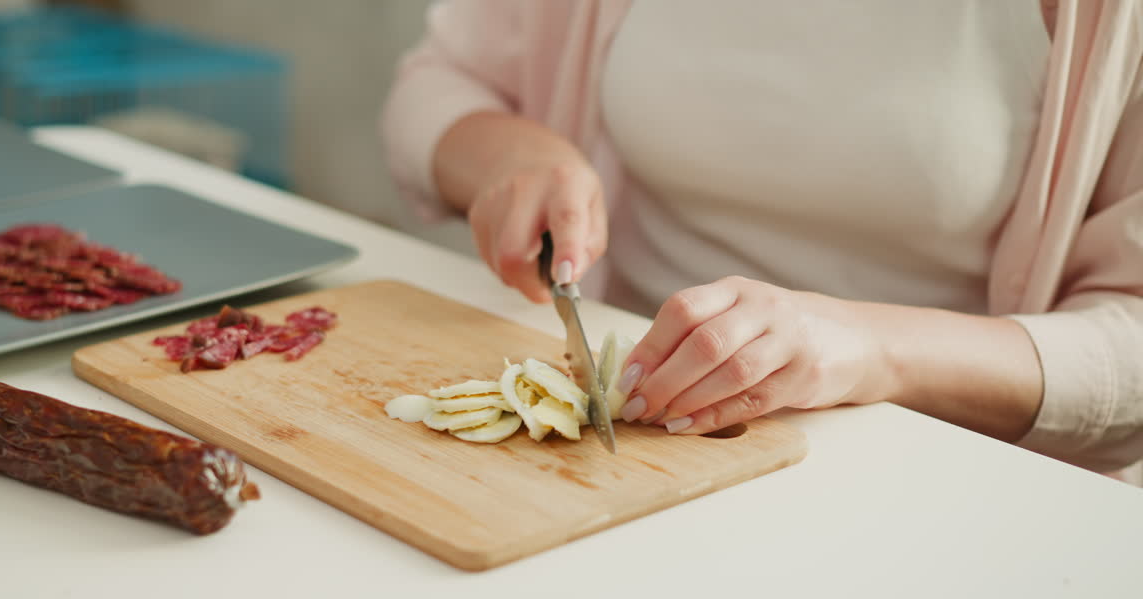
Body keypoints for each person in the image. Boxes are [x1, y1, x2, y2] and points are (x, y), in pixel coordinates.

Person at [380, 0, 1143, 483]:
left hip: (941, 481)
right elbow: (436, 82)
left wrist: (870, 347)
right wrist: (505, 153)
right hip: (649, 460)